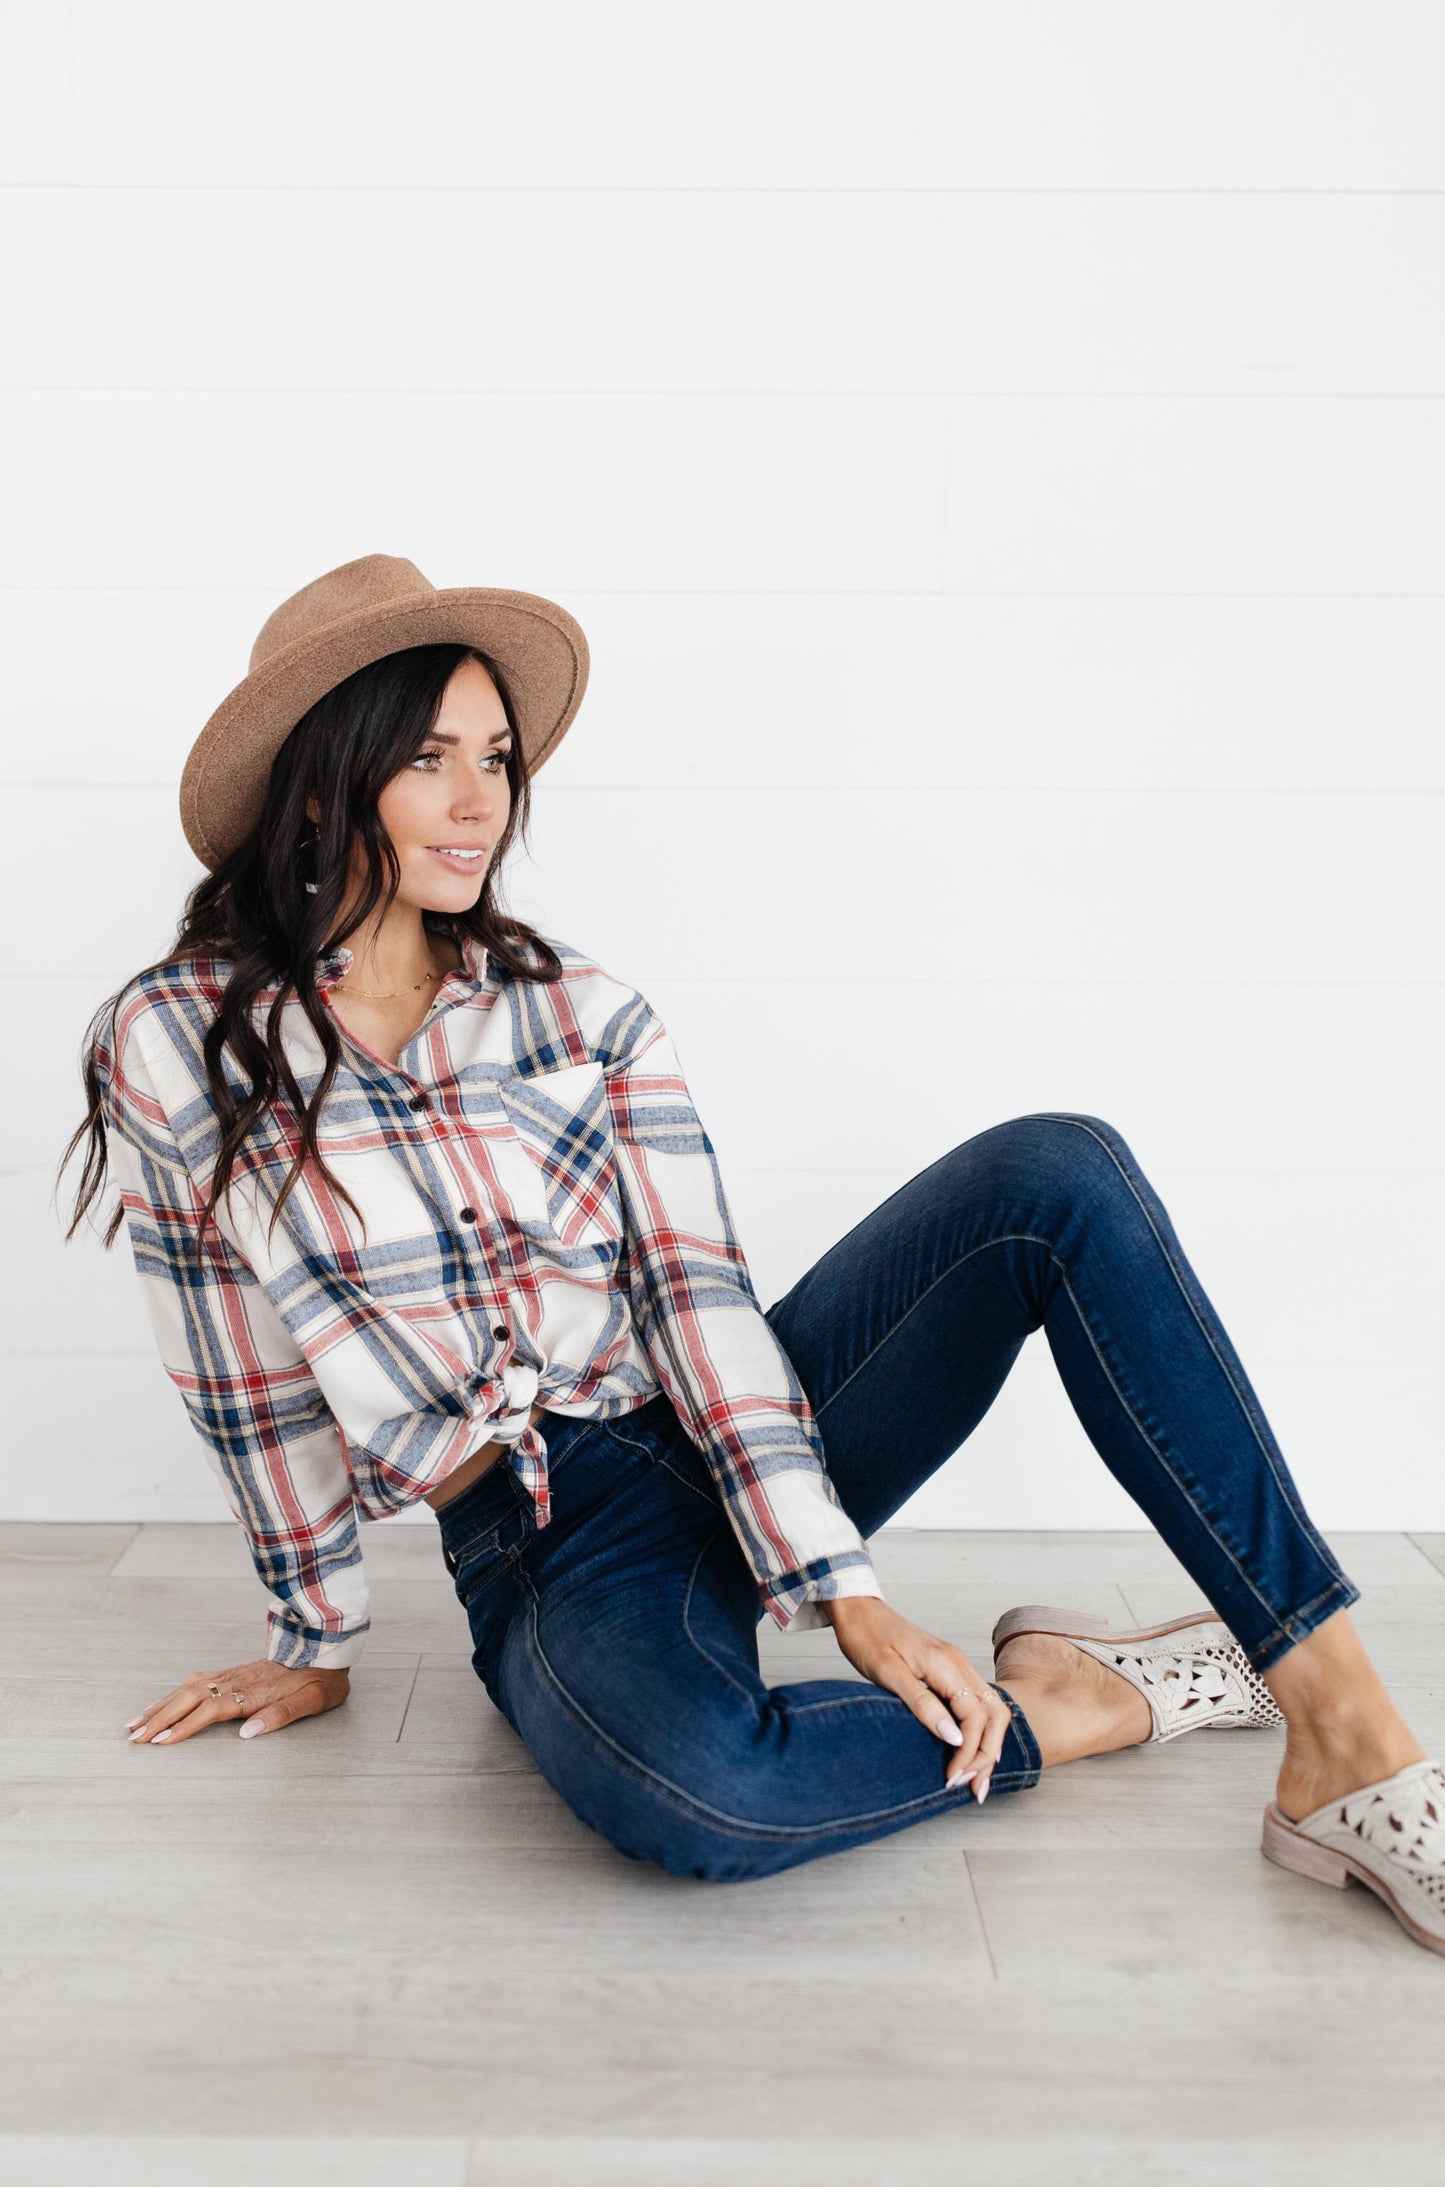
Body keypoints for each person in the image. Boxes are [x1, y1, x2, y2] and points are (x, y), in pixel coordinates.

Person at [65, 553, 1444, 1952]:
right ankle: (1086, 1699)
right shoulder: (177, 1038)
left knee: (1055, 1173)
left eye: (495, 755)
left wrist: (839, 1586)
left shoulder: (578, 1011)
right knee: (699, 1794)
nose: (484, 798)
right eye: (431, 760)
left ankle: (1345, 1733)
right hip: (542, 1537)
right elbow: (232, 1361)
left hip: (729, 1416)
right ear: (321, 777)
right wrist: (317, 1637)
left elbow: (691, 1295)